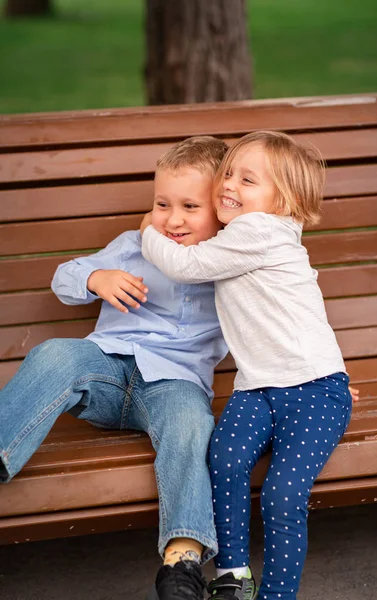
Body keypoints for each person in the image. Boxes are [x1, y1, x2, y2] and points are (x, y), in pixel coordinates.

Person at [0, 136, 230, 600]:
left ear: (223, 212)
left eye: (190, 206)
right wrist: (94, 278)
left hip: (174, 384)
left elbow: (273, 325)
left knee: (191, 425)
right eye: (162, 203)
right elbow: (63, 278)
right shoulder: (133, 245)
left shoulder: (230, 264)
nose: (173, 218)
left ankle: (182, 565)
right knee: (56, 353)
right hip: (107, 369)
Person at [141, 130, 355, 600]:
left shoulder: (261, 232)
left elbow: (186, 265)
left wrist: (147, 231)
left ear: (284, 200)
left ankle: (277, 593)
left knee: (282, 493)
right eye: (228, 174)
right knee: (226, 458)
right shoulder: (245, 234)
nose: (229, 185)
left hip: (312, 391)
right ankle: (232, 575)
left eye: (247, 179)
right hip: (260, 387)